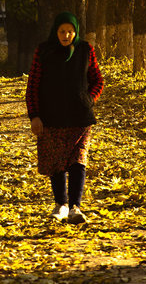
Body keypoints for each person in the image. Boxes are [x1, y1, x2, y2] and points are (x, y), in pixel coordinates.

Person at [26, 12, 104, 224]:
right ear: (56, 31)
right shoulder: (43, 51)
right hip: (51, 118)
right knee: (57, 162)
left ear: (75, 31)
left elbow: (97, 80)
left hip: (80, 118)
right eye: (62, 31)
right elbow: (32, 86)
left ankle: (75, 208)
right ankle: (60, 204)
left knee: (78, 161)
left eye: (70, 31)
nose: (66, 35)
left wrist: (89, 99)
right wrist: (34, 115)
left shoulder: (85, 50)